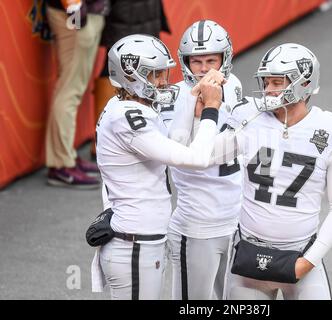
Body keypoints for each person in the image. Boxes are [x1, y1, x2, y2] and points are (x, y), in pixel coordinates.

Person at [210, 43, 332, 300]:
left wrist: (307, 261)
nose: (268, 90)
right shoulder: (250, 117)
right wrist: (207, 109)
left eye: (277, 82)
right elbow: (204, 157)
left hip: (301, 254)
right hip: (249, 255)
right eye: (266, 82)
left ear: (303, 83)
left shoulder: (331, 130)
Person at [93, 34, 225, 300]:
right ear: (131, 76)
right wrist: (211, 109)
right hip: (134, 243)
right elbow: (195, 159)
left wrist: (192, 101)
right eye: (155, 75)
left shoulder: (125, 106)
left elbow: (173, 141)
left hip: (139, 239)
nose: (163, 81)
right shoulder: (127, 118)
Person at [165, 20, 243, 300]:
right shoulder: (173, 97)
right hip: (198, 222)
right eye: (196, 61)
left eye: (211, 60)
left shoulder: (233, 84)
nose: (203, 68)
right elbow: (186, 156)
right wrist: (201, 113)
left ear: (225, 58)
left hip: (237, 218)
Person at [91, 0, 170, 159]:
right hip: (124, 16)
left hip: (144, 13)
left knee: (147, 67)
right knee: (116, 69)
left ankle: (142, 131)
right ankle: (104, 138)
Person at [45, 0, 107, 188]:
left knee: (73, 89)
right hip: (76, 14)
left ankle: (66, 157)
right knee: (70, 90)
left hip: (83, 13)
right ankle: (62, 163)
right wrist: (76, 13)